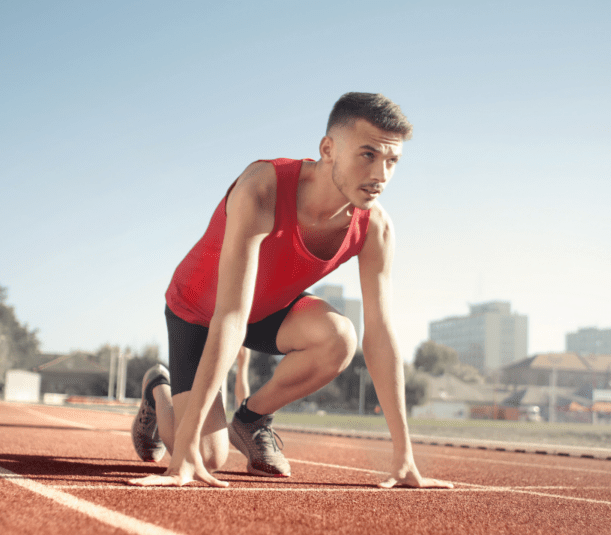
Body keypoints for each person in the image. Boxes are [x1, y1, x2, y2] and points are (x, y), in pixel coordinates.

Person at [131, 92, 452, 489]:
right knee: (208, 456)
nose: (381, 175)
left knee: (339, 337)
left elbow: (381, 335)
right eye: (368, 155)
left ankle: (250, 420)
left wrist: (404, 456)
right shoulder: (262, 188)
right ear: (328, 149)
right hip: (199, 311)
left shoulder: (375, 228)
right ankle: (157, 390)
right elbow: (230, 314)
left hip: (267, 311)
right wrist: (183, 453)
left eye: (392, 161)